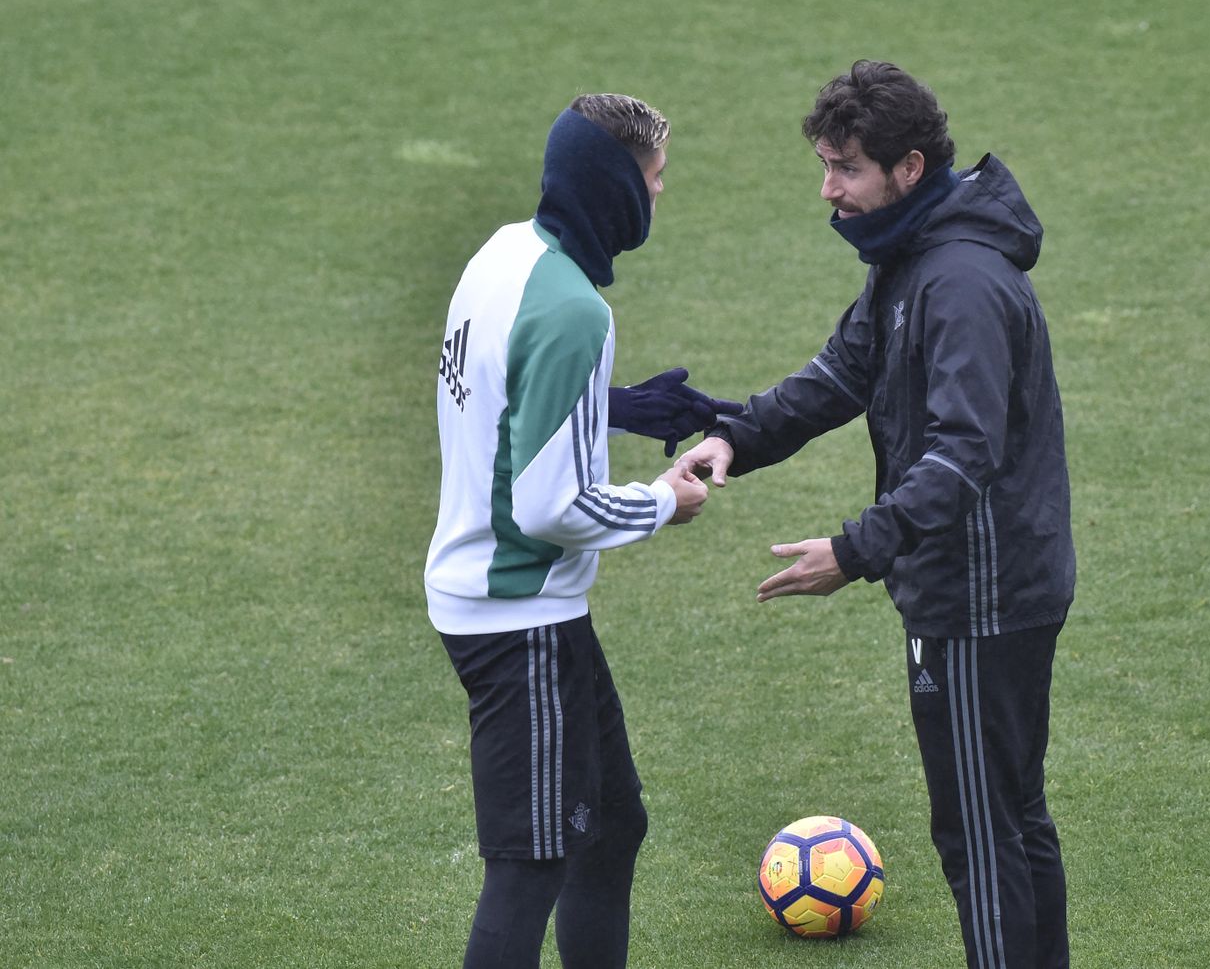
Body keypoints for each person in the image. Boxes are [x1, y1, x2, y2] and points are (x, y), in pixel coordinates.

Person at [676, 60, 1076, 968]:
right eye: (824, 164)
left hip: (982, 595)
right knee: (1010, 815)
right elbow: (839, 375)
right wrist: (736, 435)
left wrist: (853, 550)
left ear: (908, 168)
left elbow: (962, 455)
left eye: (846, 168)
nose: (828, 190)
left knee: (983, 833)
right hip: (986, 583)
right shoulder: (910, 260)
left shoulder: (960, 281)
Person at [425, 93, 737, 969]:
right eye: (653, 177)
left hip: (513, 607)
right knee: (532, 864)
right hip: (518, 620)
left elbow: (494, 390)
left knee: (611, 824)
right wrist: (661, 501)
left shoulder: (505, 253)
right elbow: (547, 508)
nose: (661, 194)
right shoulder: (575, 312)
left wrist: (610, 407)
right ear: (612, 189)